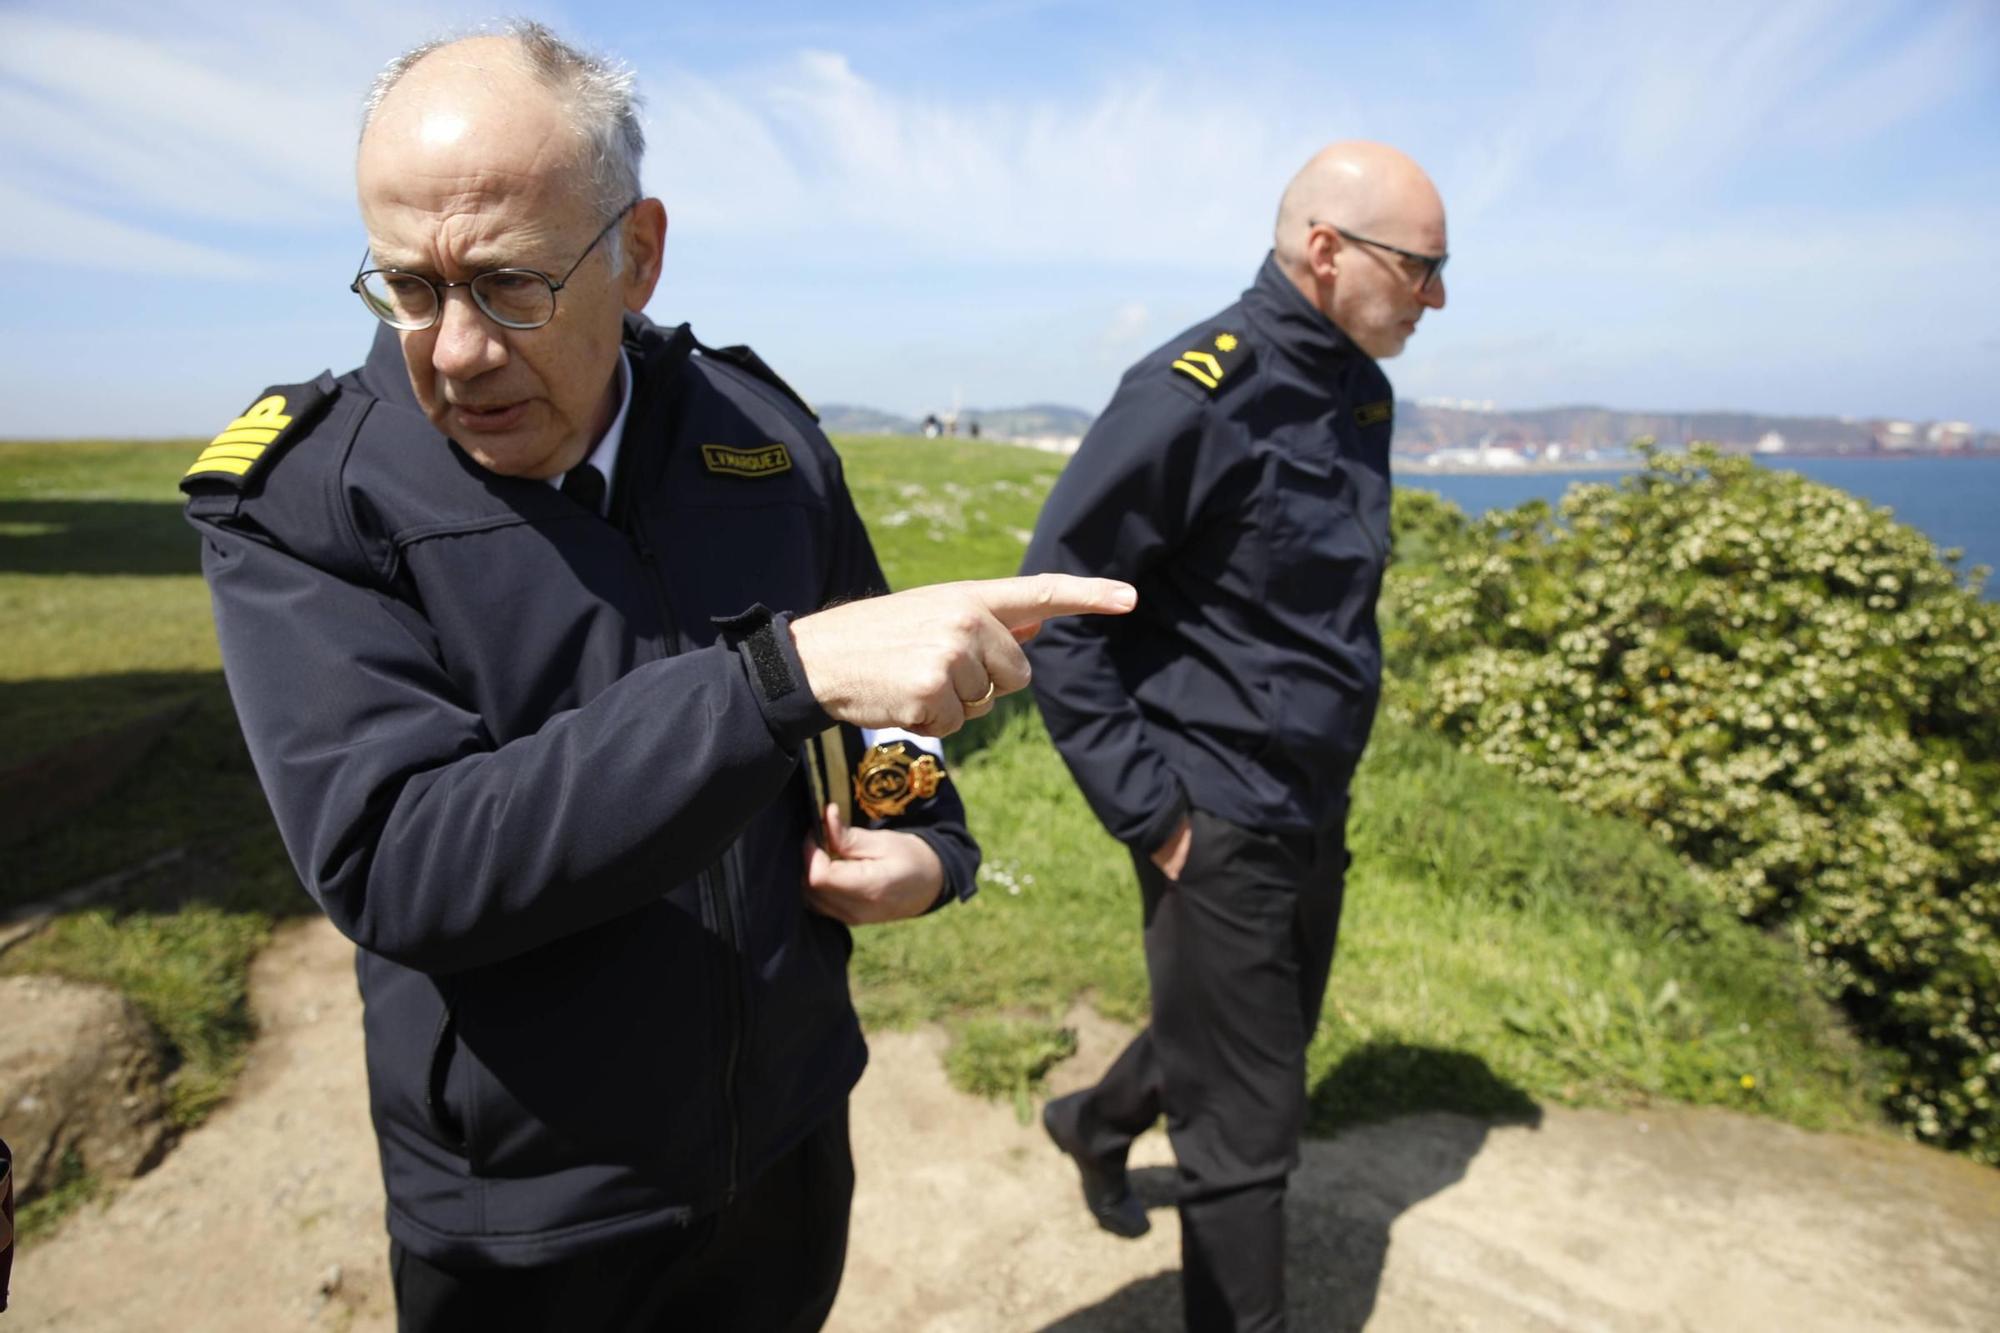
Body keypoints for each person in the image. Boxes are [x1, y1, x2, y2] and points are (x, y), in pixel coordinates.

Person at [182, 24, 1132, 1332]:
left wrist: (927, 839)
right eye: (407, 286)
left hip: (786, 1133)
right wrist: (769, 682)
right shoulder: (308, 500)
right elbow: (399, 860)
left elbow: (872, 706)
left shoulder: (759, 434)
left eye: (508, 285)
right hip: (532, 1206)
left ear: (636, 253)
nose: (453, 349)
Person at [1020, 141, 1448, 1331]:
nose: (1436, 297)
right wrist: (1153, 816)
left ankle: (1093, 1120)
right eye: (1419, 267)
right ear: (1325, 250)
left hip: (1312, 799)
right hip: (1212, 814)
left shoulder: (1357, 391)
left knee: (1257, 1032)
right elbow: (1056, 609)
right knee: (1246, 1135)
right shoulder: (1192, 394)